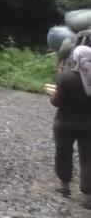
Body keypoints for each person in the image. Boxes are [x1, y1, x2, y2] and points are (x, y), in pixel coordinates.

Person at [47, 45, 91, 208]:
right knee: (88, 158)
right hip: (88, 125)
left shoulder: (65, 78)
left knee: (63, 153)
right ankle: (88, 196)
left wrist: (52, 96)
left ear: (76, 59)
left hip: (64, 123)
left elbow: (57, 102)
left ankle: (64, 187)